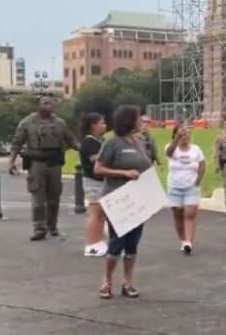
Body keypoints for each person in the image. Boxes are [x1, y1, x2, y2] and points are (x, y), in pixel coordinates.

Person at [94, 105, 151, 299]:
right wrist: (123, 173)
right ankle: (106, 281)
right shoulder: (112, 143)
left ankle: (127, 282)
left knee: (133, 243)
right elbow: (98, 169)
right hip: (118, 198)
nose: (141, 121)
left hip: (137, 199)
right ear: (129, 120)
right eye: (138, 118)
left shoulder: (138, 142)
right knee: (117, 241)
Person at [8, 96, 80, 241]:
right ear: (38, 105)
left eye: (51, 103)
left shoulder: (60, 123)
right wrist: (11, 162)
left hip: (54, 163)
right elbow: (16, 143)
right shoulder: (27, 122)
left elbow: (71, 140)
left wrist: (84, 150)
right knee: (38, 197)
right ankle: (39, 228)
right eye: (45, 103)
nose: (49, 105)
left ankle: (52, 226)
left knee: (54, 197)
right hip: (36, 164)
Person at [165, 125, 206, 255]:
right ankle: (182, 240)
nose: (185, 137)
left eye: (187, 134)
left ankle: (188, 242)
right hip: (174, 186)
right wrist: (177, 140)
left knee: (190, 213)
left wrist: (198, 180)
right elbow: (168, 153)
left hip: (191, 187)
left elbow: (202, 164)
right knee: (178, 214)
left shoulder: (196, 149)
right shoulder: (171, 148)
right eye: (182, 135)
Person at [78, 112, 108, 256]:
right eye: (101, 123)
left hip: (101, 182)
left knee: (101, 214)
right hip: (93, 182)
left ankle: (99, 241)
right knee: (94, 214)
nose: (104, 125)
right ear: (93, 125)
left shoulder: (98, 141)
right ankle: (91, 244)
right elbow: (97, 161)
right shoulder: (89, 143)